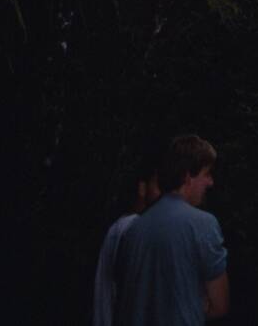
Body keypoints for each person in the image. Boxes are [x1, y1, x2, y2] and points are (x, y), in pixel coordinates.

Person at [114, 132, 229, 326]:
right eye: (206, 174)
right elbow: (220, 306)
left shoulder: (133, 229)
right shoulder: (203, 224)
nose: (211, 182)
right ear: (187, 177)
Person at [92, 144, 161, 326]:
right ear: (142, 188)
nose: (164, 194)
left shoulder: (121, 226)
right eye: (159, 185)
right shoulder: (131, 227)